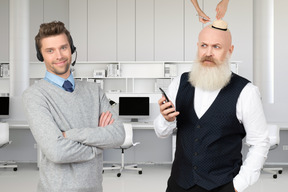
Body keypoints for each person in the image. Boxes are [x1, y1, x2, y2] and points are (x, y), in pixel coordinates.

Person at [154, 20, 270, 192]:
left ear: (230, 50)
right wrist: (166, 119)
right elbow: (161, 132)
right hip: (178, 184)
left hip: (222, 185)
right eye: (204, 45)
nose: (208, 53)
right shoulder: (179, 83)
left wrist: (238, 185)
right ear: (197, 47)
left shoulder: (246, 92)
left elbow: (260, 142)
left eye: (216, 47)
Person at [22, 21, 125, 192]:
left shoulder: (94, 91)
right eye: (50, 50)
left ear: (72, 49)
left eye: (63, 47)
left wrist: (69, 135)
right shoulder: (34, 95)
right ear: (41, 56)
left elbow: (118, 134)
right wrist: (99, 144)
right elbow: (57, 151)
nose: (59, 55)